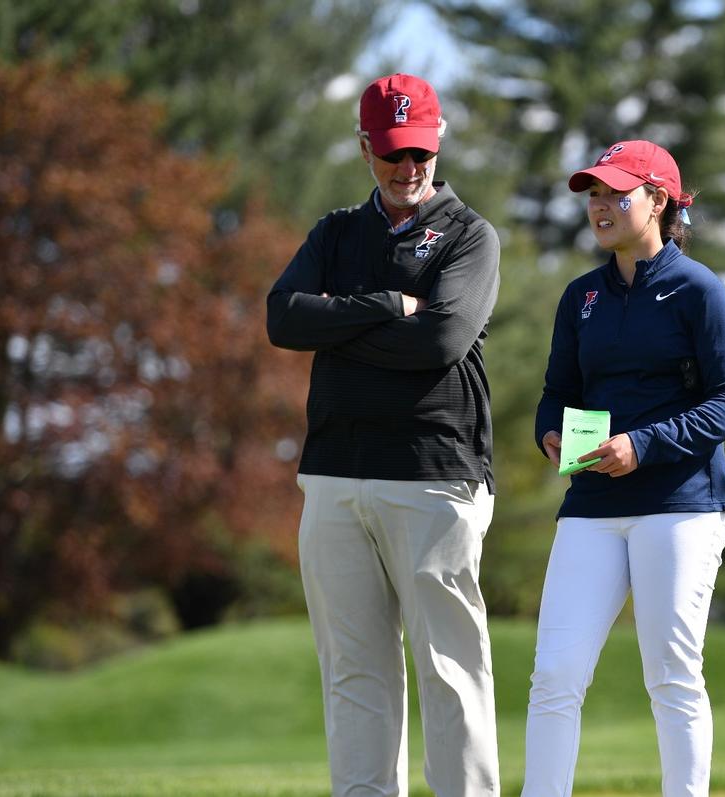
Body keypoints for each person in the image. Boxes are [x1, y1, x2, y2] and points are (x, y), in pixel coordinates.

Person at [266, 73, 501, 797]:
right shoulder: (336, 232)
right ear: (365, 146)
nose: (409, 168)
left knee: (451, 672)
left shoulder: (469, 235)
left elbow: (439, 340)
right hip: (335, 474)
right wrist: (382, 306)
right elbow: (282, 319)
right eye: (394, 153)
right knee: (354, 673)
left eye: (421, 152)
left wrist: (336, 324)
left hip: (435, 474)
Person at [526, 140, 725, 797]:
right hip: (593, 506)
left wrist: (644, 445)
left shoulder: (698, 290)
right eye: (593, 194)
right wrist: (549, 431)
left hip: (682, 503)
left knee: (672, 672)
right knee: (555, 673)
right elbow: (556, 391)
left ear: (657, 201)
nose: (599, 205)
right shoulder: (581, 298)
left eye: (615, 193)